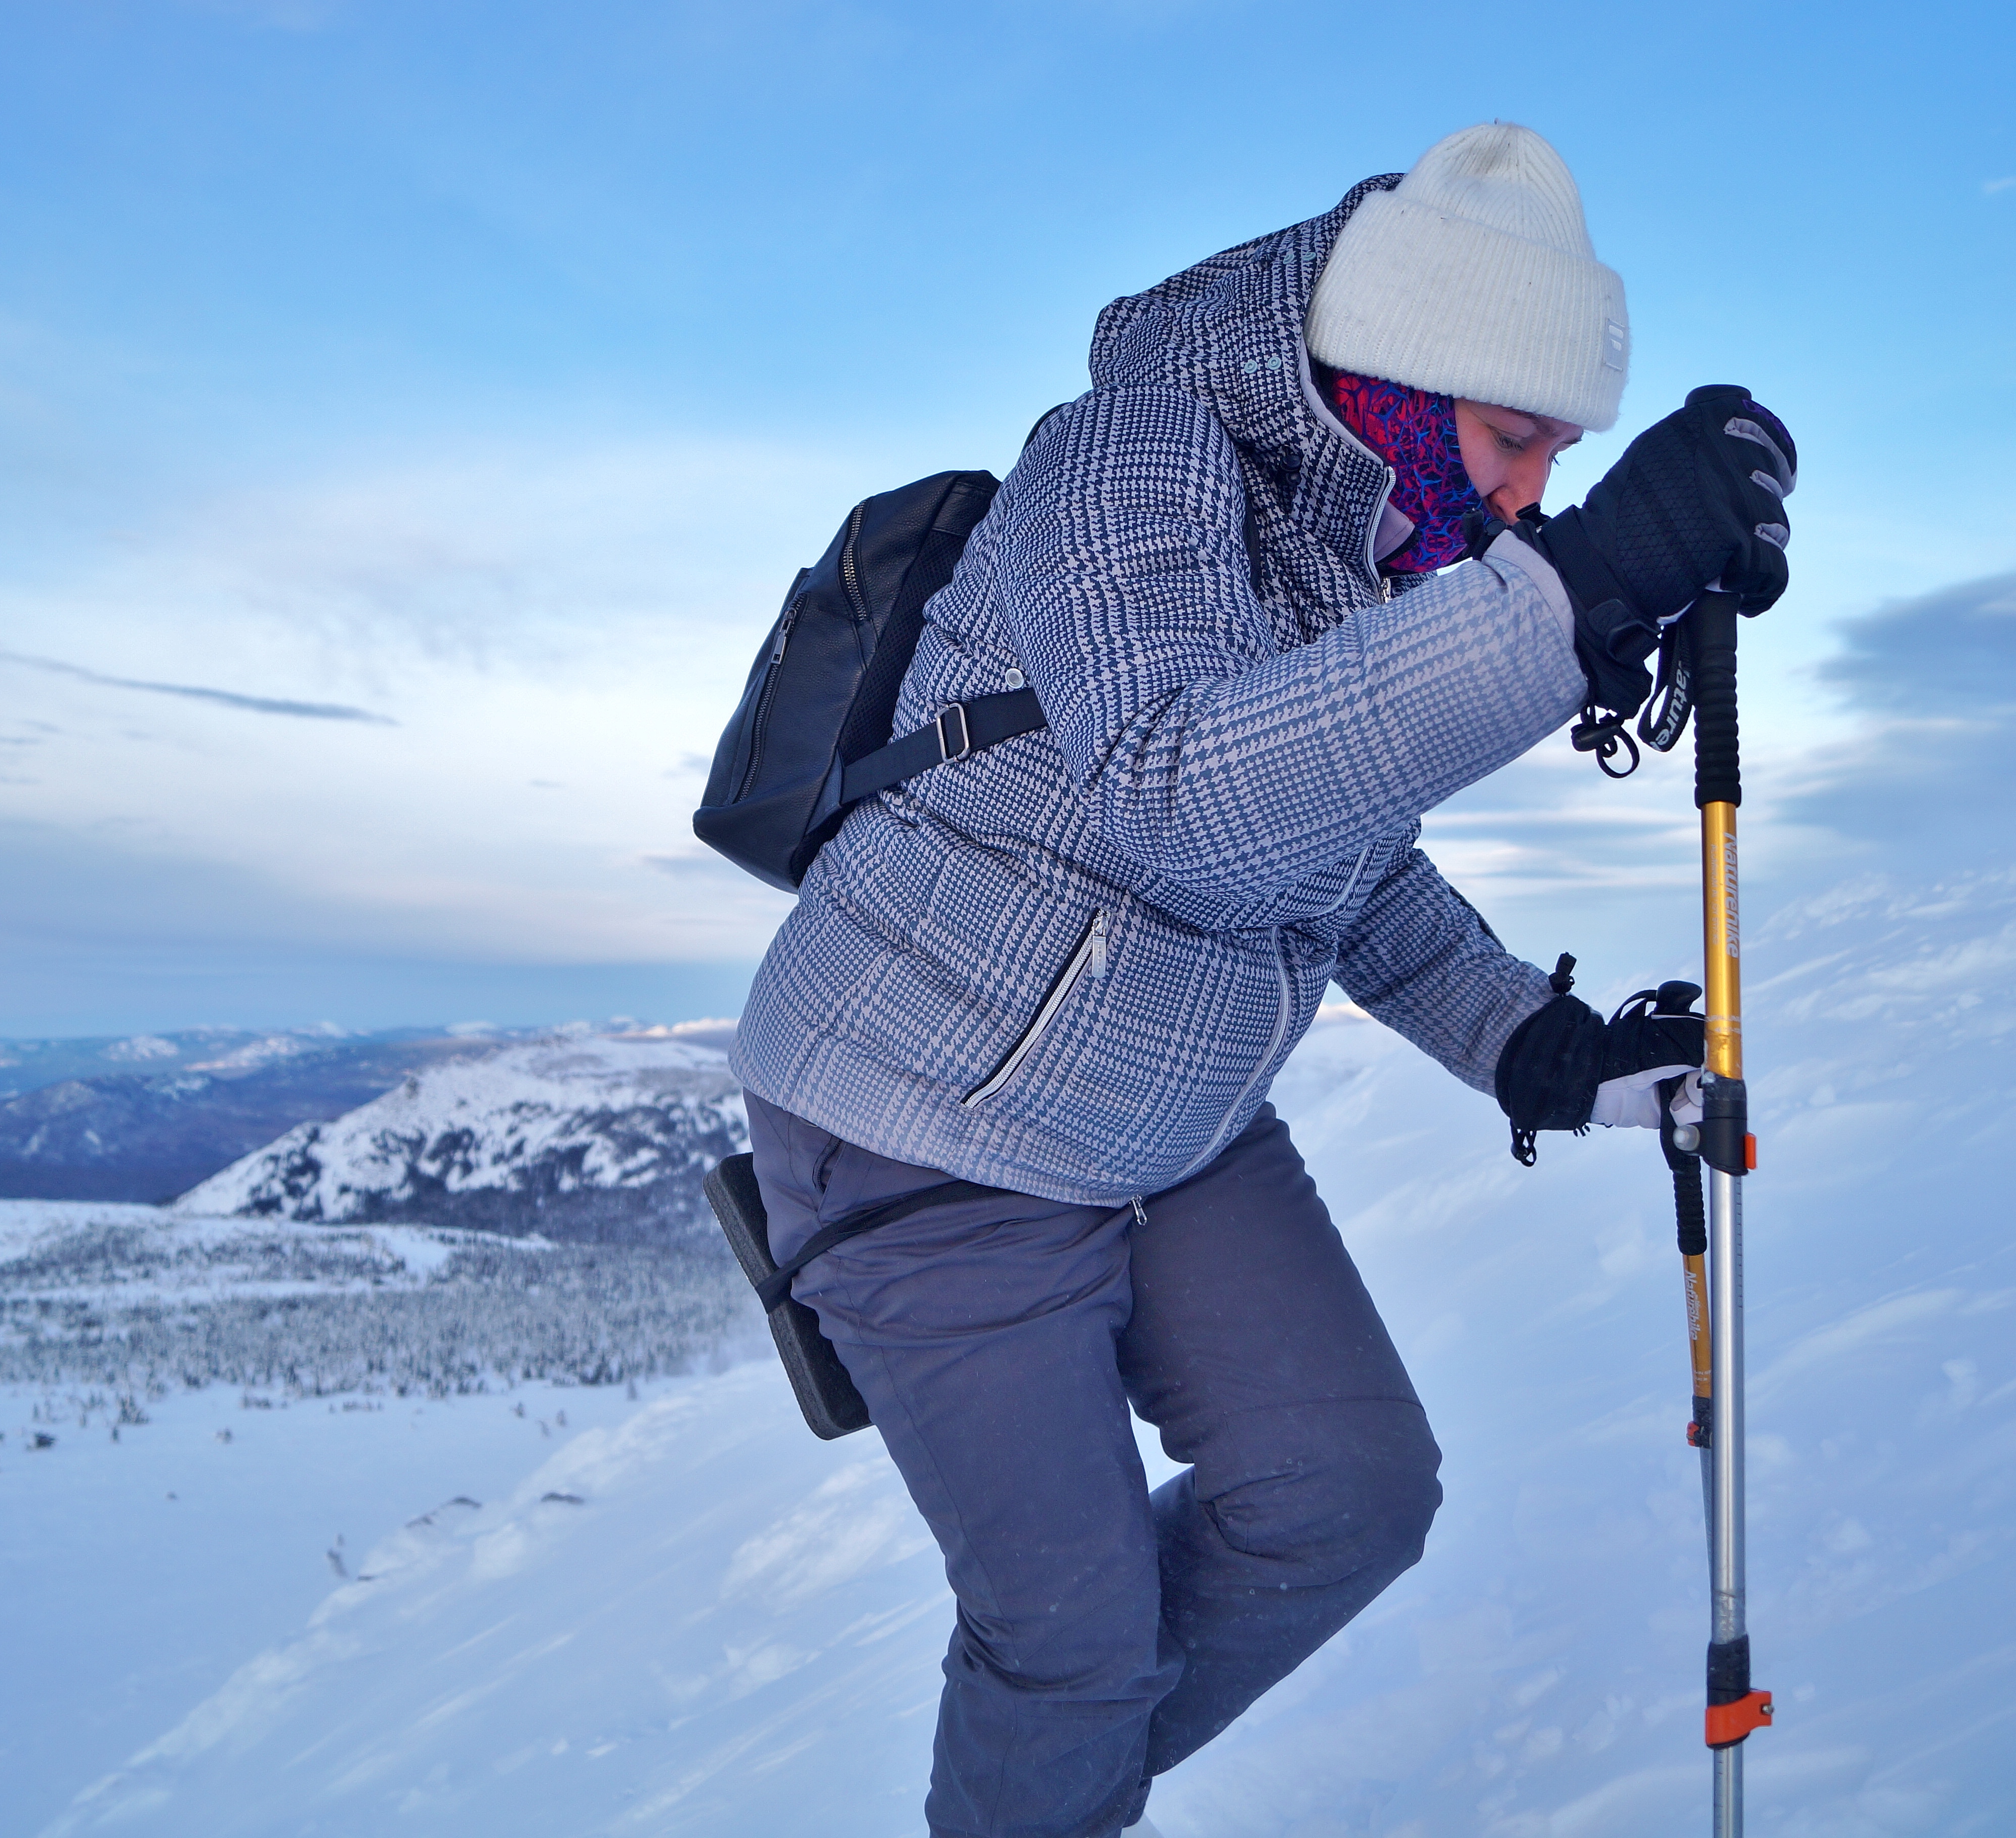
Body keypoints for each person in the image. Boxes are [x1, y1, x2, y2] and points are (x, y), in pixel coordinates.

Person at [727, 122, 1795, 1838]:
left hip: (1168, 1109)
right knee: (1067, 1647)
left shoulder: (1363, 548)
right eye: (1517, 440)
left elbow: (1344, 846)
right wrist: (1574, 588)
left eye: (1563, 460)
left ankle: (1044, 1791)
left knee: (1349, 1495)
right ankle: (1050, 1769)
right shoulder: (1125, 462)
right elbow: (1181, 802)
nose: (1529, 494)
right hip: (923, 1115)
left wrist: (1533, 1042)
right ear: (1400, 374)